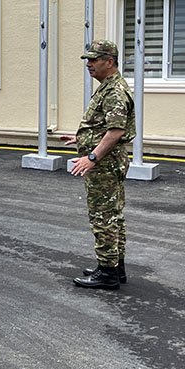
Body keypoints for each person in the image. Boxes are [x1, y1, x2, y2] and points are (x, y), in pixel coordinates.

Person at [62, 40, 136, 290]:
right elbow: (105, 127)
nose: (89, 64)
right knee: (113, 216)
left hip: (105, 165)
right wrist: (81, 138)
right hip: (108, 162)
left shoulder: (114, 91)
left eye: (94, 59)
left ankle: (107, 274)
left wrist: (92, 157)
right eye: (88, 60)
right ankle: (115, 267)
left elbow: (115, 131)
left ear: (110, 62)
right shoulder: (108, 87)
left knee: (103, 217)